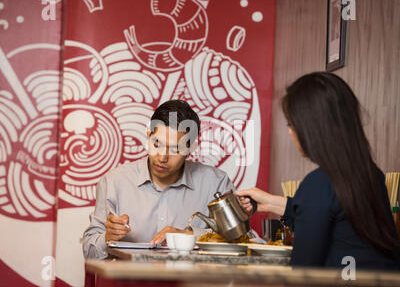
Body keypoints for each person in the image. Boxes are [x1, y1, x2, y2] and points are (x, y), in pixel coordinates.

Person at [238, 72, 400, 270]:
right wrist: (271, 202)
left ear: (313, 127)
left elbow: (304, 273)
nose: (290, 131)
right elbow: (333, 216)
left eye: (291, 124)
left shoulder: (318, 184)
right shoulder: (371, 175)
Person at [83, 100, 234, 259]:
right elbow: (89, 252)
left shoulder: (216, 183)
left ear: (190, 150)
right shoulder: (114, 182)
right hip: (129, 283)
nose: (162, 157)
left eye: (175, 149)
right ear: (148, 136)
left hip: (192, 282)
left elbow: (243, 240)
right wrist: (107, 237)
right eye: (156, 144)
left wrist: (189, 235)